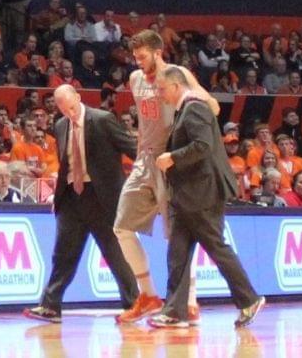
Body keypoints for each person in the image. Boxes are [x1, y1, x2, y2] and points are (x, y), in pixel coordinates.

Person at [114, 30, 219, 324]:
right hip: (144, 160)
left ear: (158, 53)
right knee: (121, 227)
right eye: (134, 57)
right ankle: (147, 296)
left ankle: (190, 300)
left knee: (177, 234)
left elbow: (212, 107)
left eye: (142, 57)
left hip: (170, 162)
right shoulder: (135, 80)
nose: (137, 62)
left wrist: (196, 96)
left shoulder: (179, 74)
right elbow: (145, 122)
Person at [152, 66, 264, 328]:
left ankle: (249, 298)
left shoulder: (195, 108)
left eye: (162, 89)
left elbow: (202, 146)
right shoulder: (185, 110)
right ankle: (174, 310)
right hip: (187, 196)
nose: (159, 94)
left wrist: (172, 157)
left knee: (216, 247)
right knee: (177, 253)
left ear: (176, 86)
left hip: (202, 194)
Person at [23, 85, 139, 323]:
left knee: (114, 253)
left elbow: (133, 149)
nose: (70, 113)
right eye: (64, 110)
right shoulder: (60, 125)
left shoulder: (103, 119)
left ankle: (133, 303)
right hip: (72, 198)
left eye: (72, 107)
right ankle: (51, 306)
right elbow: (66, 163)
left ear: (79, 97)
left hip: (102, 197)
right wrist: (59, 196)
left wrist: (147, 177)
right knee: (63, 253)